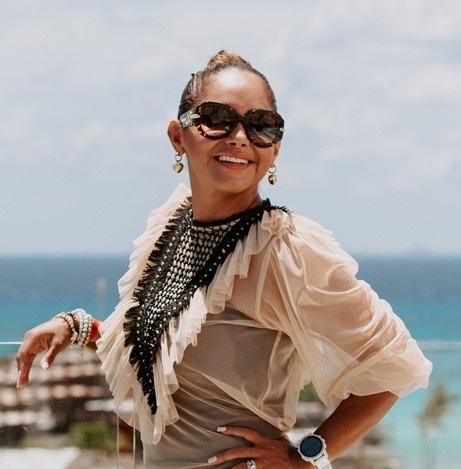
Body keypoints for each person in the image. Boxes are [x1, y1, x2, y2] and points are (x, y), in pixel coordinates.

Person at [16, 50, 432, 469]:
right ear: (178, 136)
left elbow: (393, 364)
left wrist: (306, 458)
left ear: (275, 148)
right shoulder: (171, 229)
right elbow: (166, 356)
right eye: (217, 118)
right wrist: (79, 327)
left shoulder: (283, 249)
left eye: (260, 125)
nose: (239, 137)